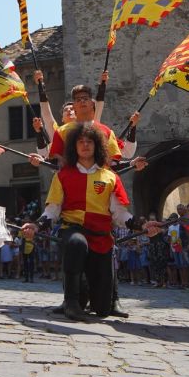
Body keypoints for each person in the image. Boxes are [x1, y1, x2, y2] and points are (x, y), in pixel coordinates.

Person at [41, 122, 132, 320]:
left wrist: (141, 225)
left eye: (89, 141)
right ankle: (71, 302)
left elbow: (120, 214)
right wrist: (37, 225)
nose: (85, 145)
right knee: (76, 243)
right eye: (80, 141)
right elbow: (53, 210)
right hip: (73, 229)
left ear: (97, 145)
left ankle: (93, 291)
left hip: (101, 238)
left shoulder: (110, 177)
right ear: (74, 146)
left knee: (103, 310)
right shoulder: (63, 175)